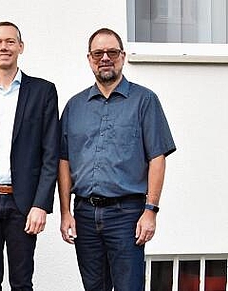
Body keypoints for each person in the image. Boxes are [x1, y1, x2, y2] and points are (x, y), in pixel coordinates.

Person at [58, 28, 176, 291]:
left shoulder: (145, 100)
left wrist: (150, 211)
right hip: (85, 214)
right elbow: (63, 161)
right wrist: (66, 212)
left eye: (112, 52)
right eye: (98, 53)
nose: (105, 58)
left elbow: (157, 157)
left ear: (122, 56)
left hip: (127, 216)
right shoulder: (74, 106)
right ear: (89, 58)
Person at [0, 21, 59, 290]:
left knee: (22, 281)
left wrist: (41, 205)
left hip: (23, 203)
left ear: (20, 47)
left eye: (10, 41)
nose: (4, 47)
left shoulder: (43, 91)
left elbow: (51, 154)